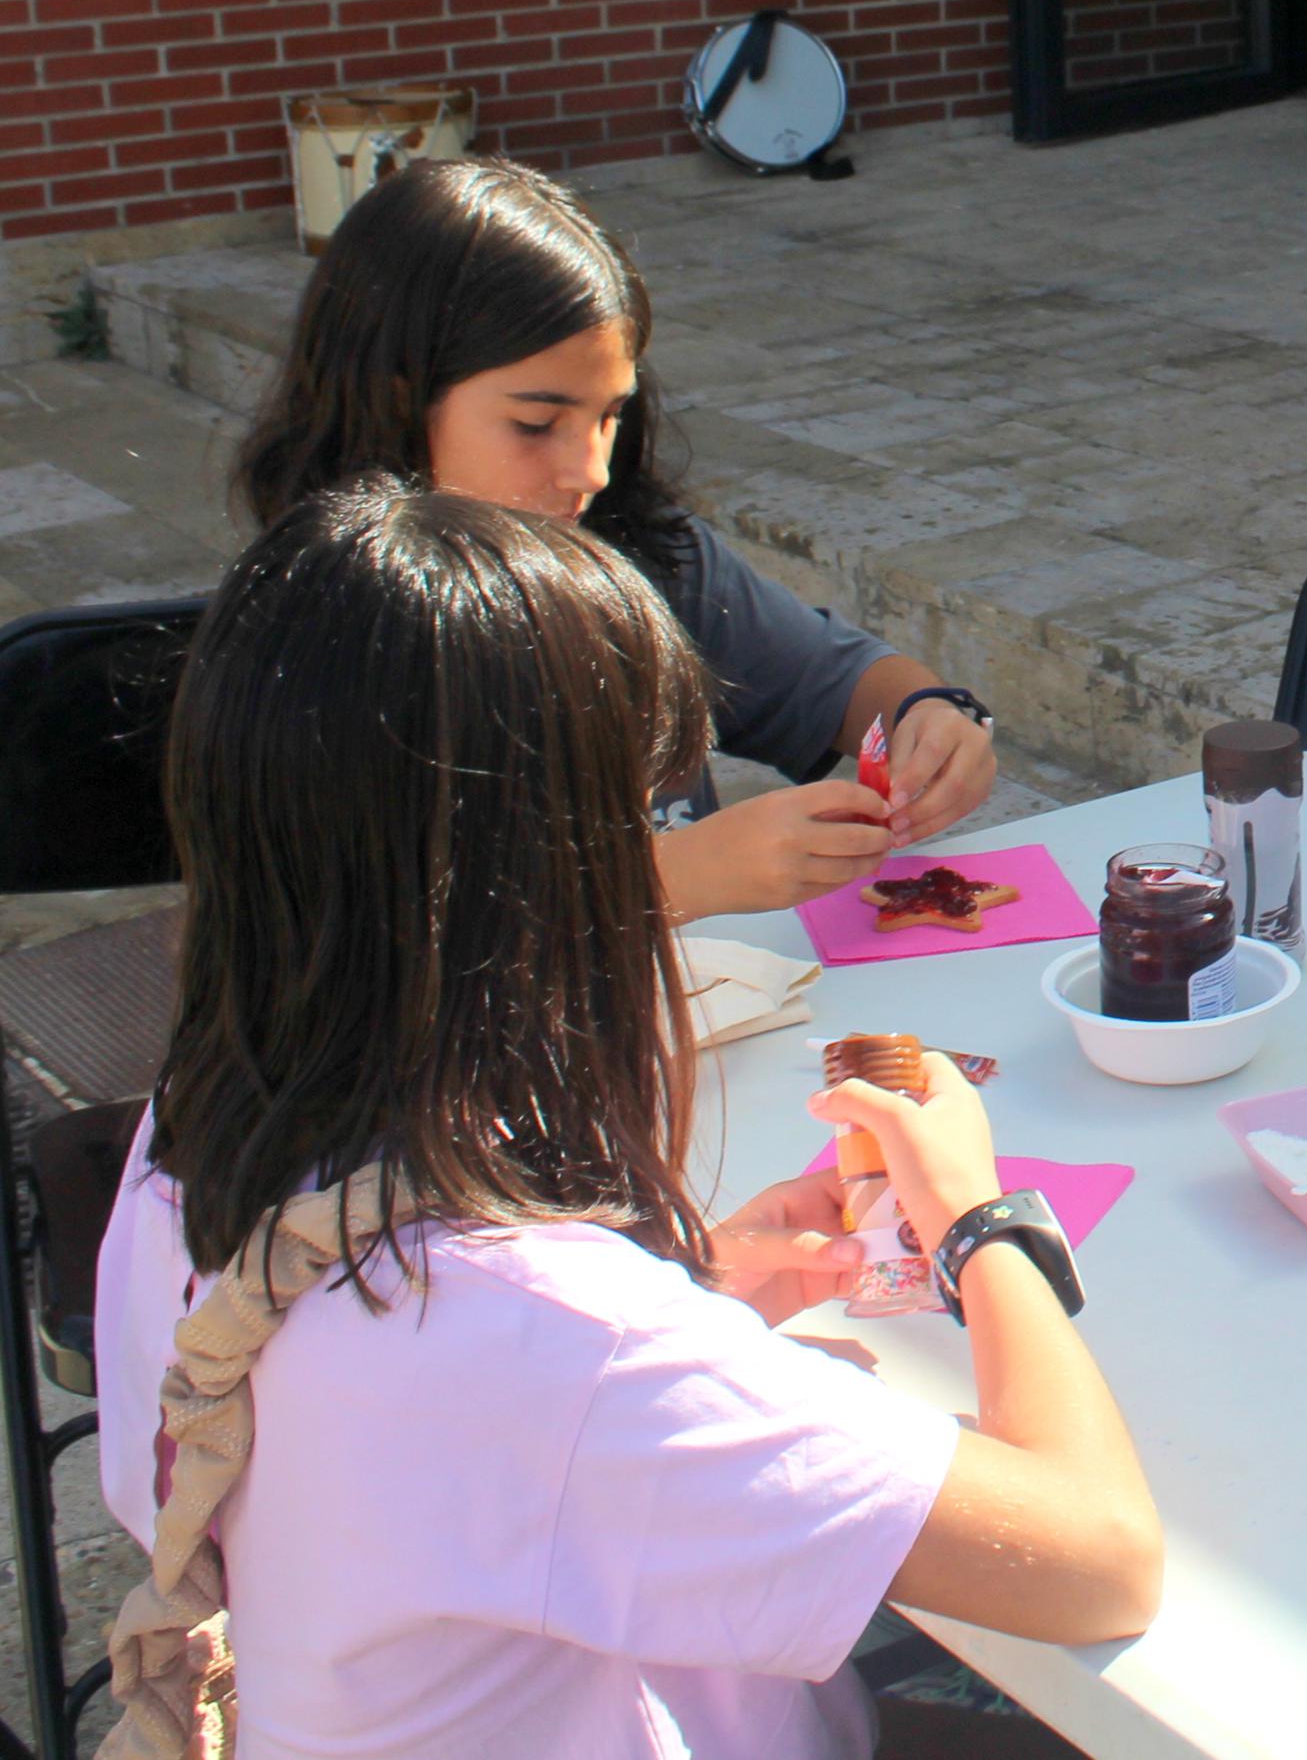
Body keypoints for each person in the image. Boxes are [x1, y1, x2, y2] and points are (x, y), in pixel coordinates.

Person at [95, 483, 1158, 1756]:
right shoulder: (545, 1341)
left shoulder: (191, 1131)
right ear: (541, 878)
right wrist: (978, 1221)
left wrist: (686, 1289)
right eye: (634, 822)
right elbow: (1099, 1560)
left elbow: (431, 1457)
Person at [233, 154, 999, 921]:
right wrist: (671, 879)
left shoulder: (639, 556)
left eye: (609, 414)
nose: (590, 469)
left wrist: (928, 716)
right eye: (536, 422)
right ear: (395, 396)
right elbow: (378, 937)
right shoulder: (322, 635)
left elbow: (841, 682)